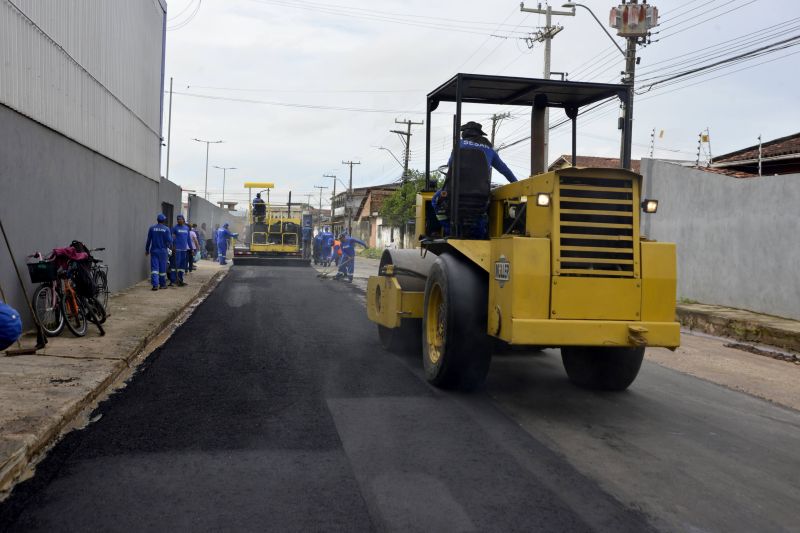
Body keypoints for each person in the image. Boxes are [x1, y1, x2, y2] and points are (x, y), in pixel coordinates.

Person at [433, 121, 519, 238]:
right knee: (481, 213)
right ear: (479, 134)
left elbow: (450, 165)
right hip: (481, 196)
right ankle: (480, 236)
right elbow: (504, 170)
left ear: (465, 133)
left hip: (456, 194)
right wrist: (518, 185)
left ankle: (449, 231)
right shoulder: (490, 149)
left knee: (436, 200)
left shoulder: (459, 145)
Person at [145, 213, 172, 290]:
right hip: (163, 252)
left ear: (157, 220)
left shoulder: (152, 228)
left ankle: (155, 285)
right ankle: (162, 284)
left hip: (154, 251)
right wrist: (168, 246)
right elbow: (169, 241)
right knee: (162, 269)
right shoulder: (166, 229)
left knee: (154, 268)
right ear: (164, 220)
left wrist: (147, 250)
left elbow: (148, 240)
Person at [171, 214, 191, 286]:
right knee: (175, 265)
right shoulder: (174, 228)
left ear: (183, 220)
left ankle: (180, 280)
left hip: (184, 250)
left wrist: (191, 249)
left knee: (182, 266)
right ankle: (173, 281)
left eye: (180, 219)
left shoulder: (186, 228)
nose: (179, 220)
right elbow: (172, 238)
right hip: (177, 250)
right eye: (178, 219)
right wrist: (172, 246)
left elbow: (188, 239)